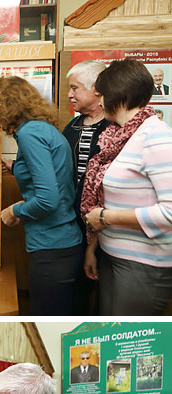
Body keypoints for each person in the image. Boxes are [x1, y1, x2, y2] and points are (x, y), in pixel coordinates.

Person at [81, 59, 172, 315]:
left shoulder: (155, 136)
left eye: (102, 95)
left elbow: (170, 212)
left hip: (143, 265)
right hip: (113, 257)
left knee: (126, 344)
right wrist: (94, 247)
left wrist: (105, 218)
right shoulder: (121, 136)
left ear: (117, 96)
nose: (99, 102)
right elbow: (114, 198)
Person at [0, 76, 83, 315]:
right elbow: (52, 174)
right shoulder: (40, 128)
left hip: (52, 247)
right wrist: (15, 166)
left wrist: (15, 210)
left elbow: (47, 199)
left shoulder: (29, 134)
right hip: (64, 243)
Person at [63, 60, 109, 315]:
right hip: (73, 226)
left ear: (97, 90)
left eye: (75, 88)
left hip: (106, 227)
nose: (70, 94)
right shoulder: (73, 126)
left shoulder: (115, 129)